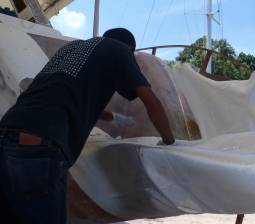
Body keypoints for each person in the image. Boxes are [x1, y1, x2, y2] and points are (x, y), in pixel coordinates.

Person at [0, 27, 175, 224]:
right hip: (39, 144)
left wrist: (114, 118)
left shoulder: (72, 49)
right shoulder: (119, 50)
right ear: (129, 48)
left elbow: (65, 95)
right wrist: (169, 140)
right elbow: (151, 101)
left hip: (7, 131)